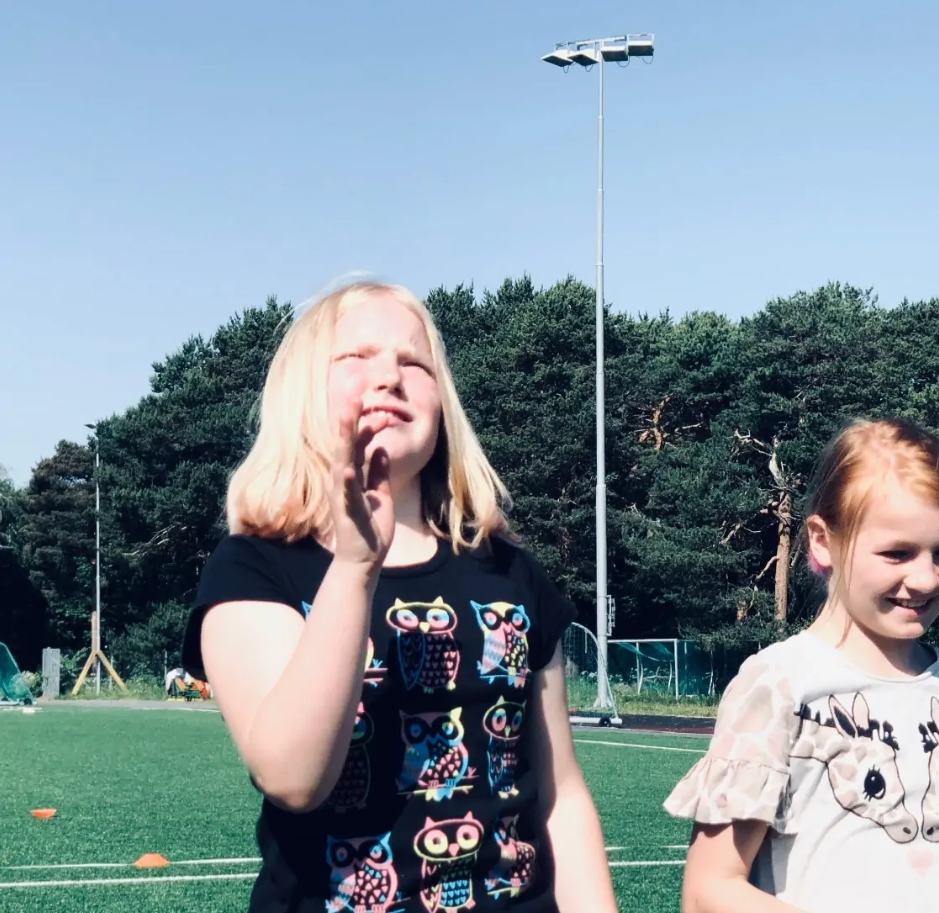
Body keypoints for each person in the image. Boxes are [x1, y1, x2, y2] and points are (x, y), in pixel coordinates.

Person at [182, 280, 618, 913]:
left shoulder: (512, 575)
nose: (388, 376)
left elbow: (561, 795)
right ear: (300, 396)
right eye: (356, 358)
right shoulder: (254, 568)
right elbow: (292, 777)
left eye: (414, 362)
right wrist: (358, 564)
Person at [668, 418, 939, 913]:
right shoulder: (780, 681)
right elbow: (708, 891)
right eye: (897, 553)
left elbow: (920, 853)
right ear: (823, 540)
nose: (925, 579)